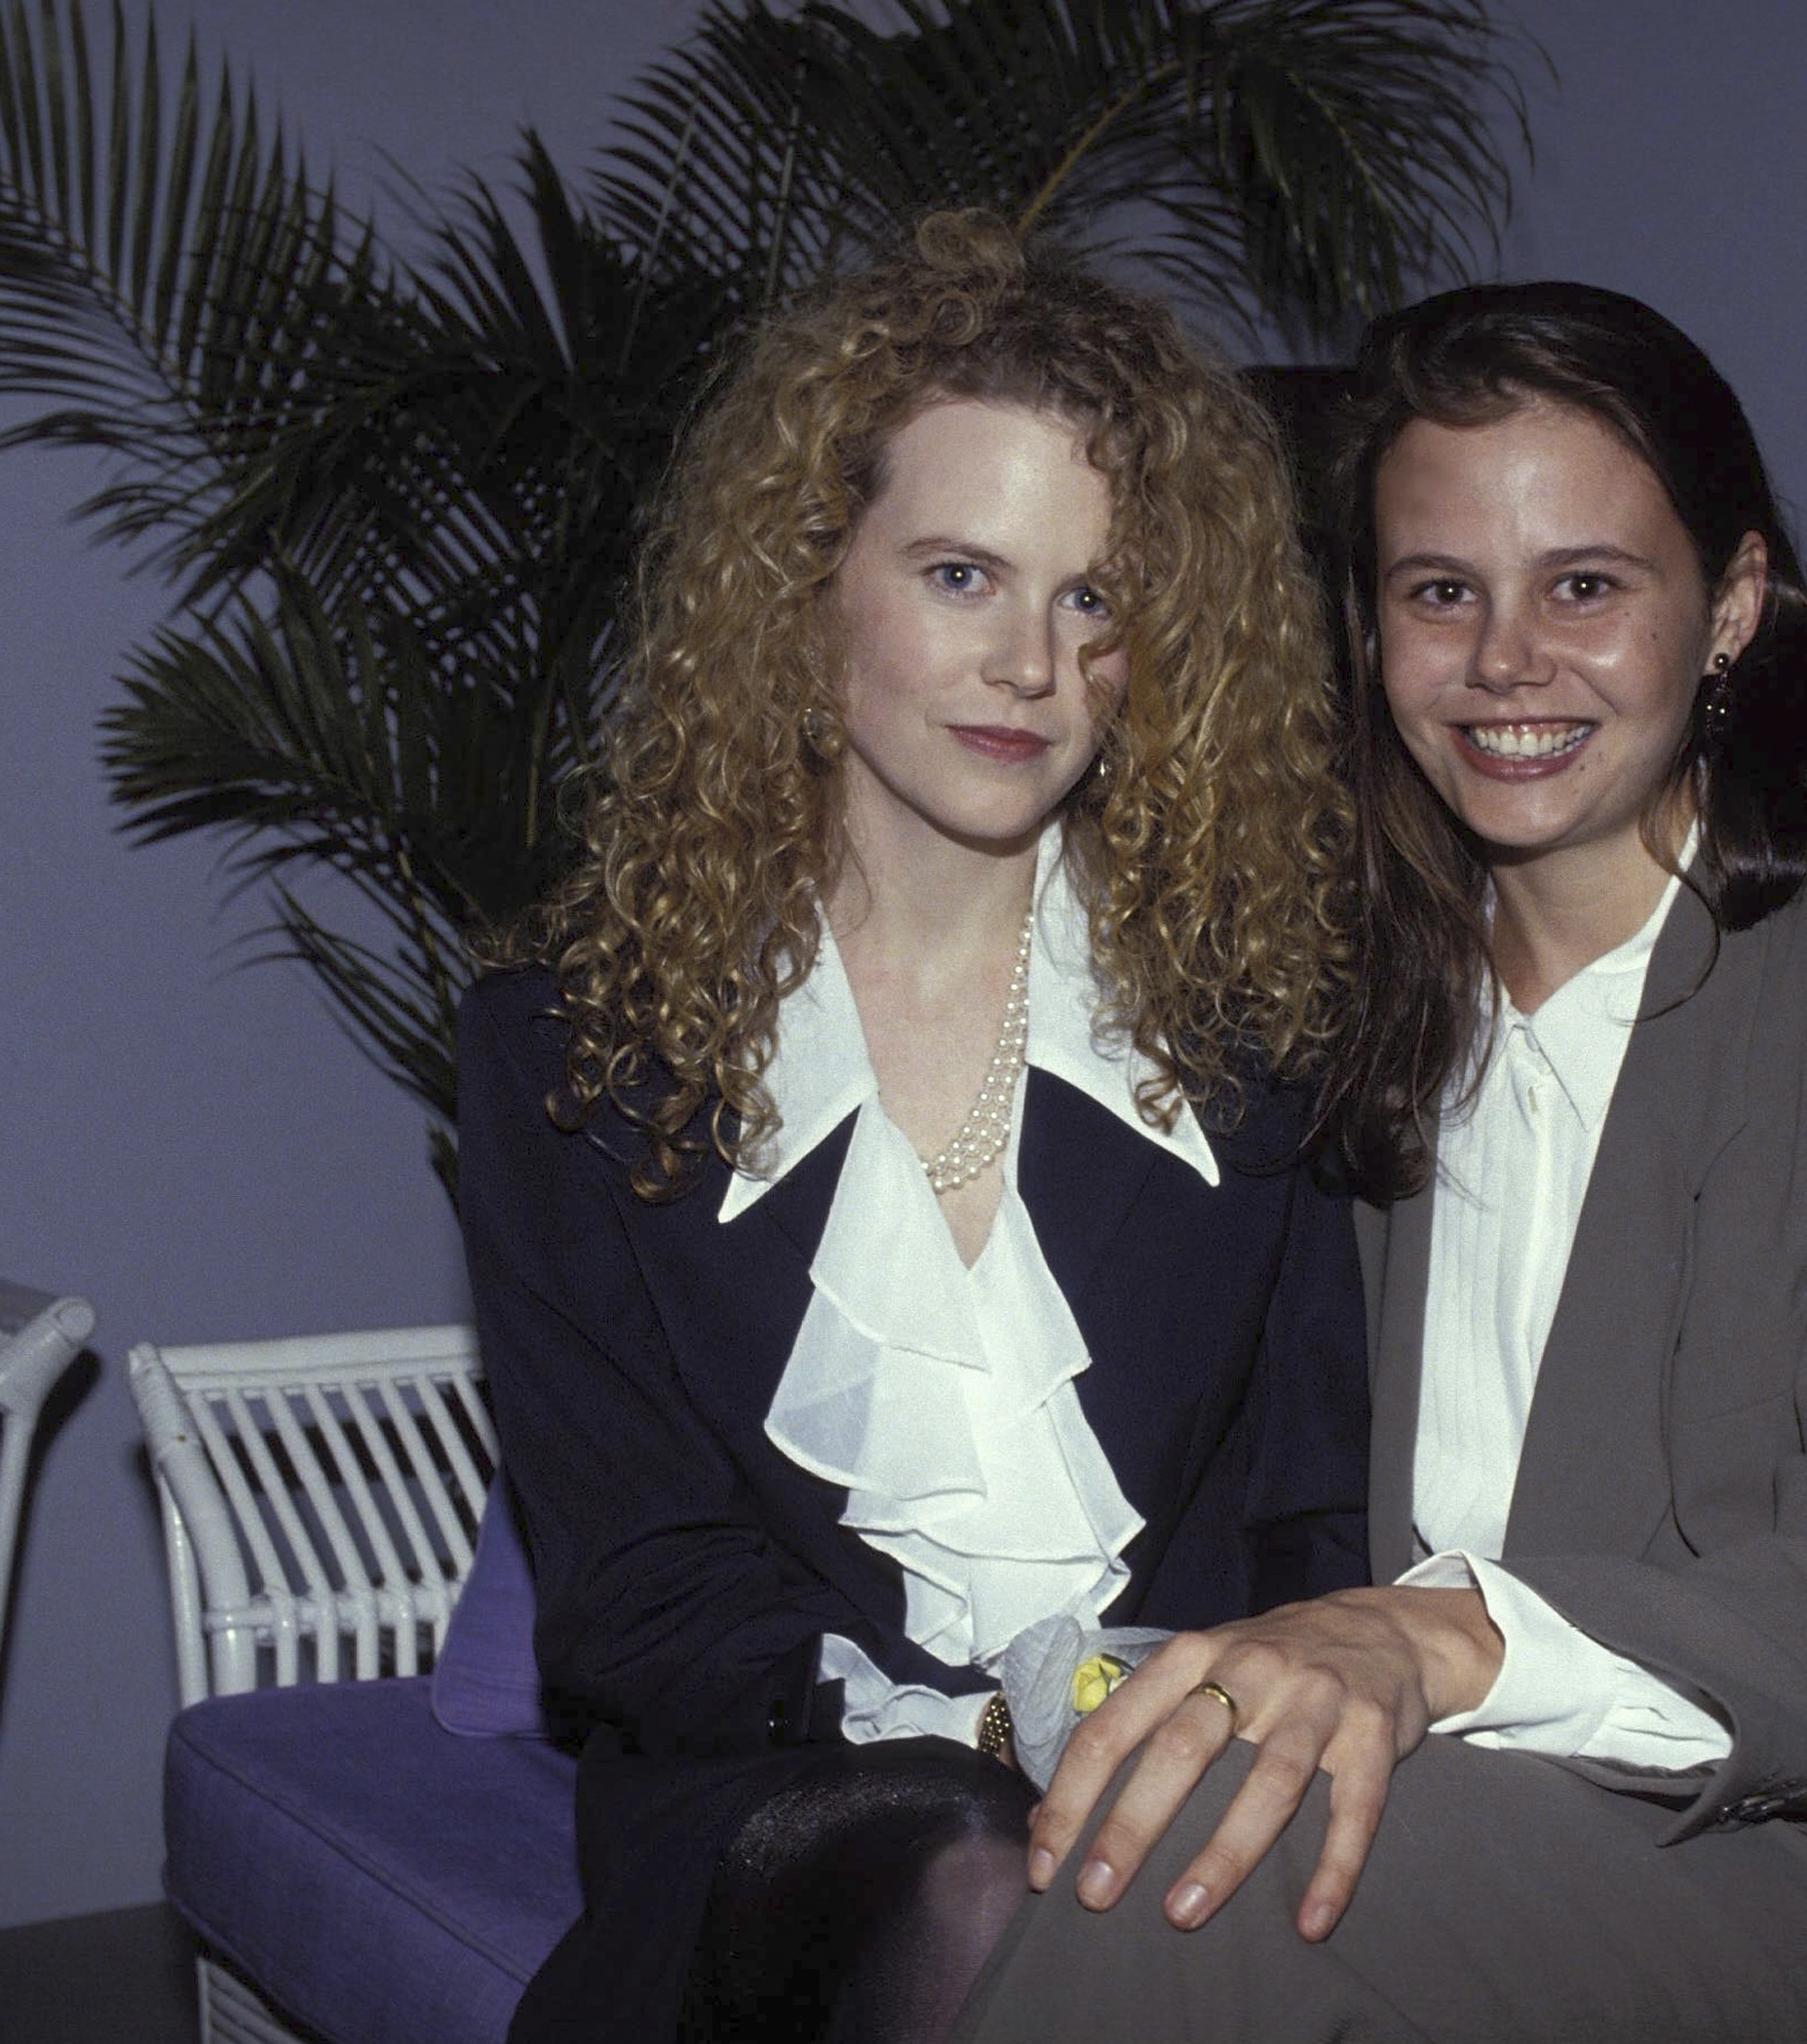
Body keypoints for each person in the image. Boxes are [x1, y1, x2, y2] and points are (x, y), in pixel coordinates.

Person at [954, 283, 1807, 2042]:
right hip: (1527, 1832)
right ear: (1373, 628)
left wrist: (1419, 1640)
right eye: (1444, 592)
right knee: (1044, 1848)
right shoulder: (1361, 1024)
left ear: (1729, 606)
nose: (1509, 659)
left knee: (1192, 1899)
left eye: (1586, 585)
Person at [454, 215, 1369, 2044]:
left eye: (1093, 596)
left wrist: (1205, 1712)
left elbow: (1312, 1511)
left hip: (1188, 1758)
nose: (1031, 662)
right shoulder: (568, 1045)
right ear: (810, 597)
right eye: (963, 573)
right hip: (776, 1799)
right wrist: (991, 1727)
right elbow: (635, 1598)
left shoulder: (1255, 1030)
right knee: (973, 1874)